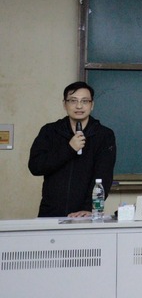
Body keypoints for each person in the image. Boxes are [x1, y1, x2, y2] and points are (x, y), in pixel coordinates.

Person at [28, 81, 117, 217]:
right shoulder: (49, 131)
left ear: (92, 105)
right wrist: (69, 149)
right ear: (65, 104)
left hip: (85, 215)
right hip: (51, 213)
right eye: (73, 101)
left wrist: (89, 208)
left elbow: (103, 175)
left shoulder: (104, 135)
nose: (79, 106)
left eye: (85, 101)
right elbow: (35, 167)